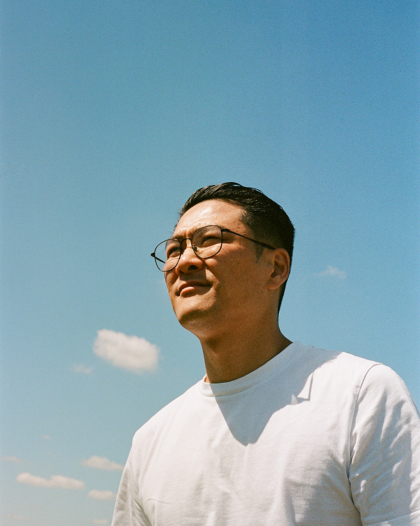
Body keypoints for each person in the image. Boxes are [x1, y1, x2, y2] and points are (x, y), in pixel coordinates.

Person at [112, 182, 420, 526]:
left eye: (209, 240)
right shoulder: (151, 439)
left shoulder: (360, 395)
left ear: (276, 268)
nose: (184, 261)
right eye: (173, 250)